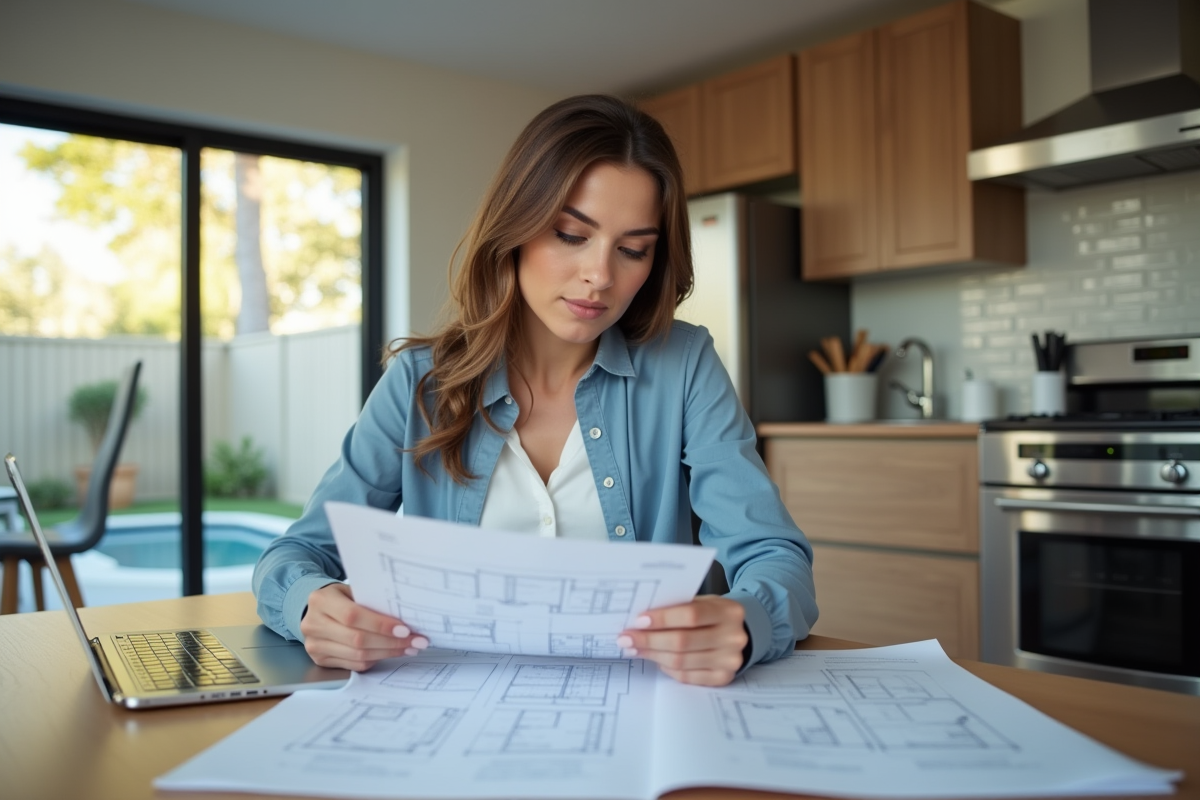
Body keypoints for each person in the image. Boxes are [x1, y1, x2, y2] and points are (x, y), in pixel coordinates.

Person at [253, 94, 817, 687]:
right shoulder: (421, 381)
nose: (600, 275)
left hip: (648, 714)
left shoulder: (685, 365)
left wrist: (746, 621)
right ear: (515, 227)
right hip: (452, 714)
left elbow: (775, 557)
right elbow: (295, 558)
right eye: (572, 234)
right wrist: (313, 606)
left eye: (633, 250)